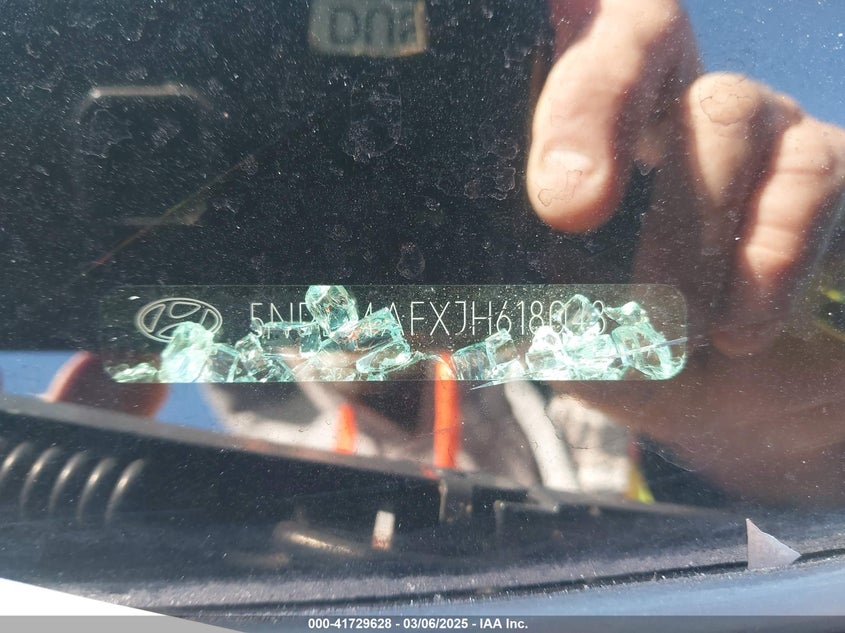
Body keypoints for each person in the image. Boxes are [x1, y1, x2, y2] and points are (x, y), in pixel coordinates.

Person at [43, 0, 845, 506]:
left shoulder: (598, 367)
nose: (348, 250)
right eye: (290, 192)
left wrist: (792, 435)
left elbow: (782, 534)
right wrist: (61, 505)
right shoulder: (215, 484)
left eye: (384, 169)